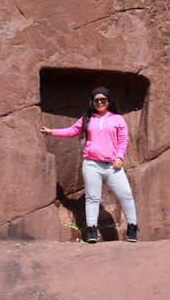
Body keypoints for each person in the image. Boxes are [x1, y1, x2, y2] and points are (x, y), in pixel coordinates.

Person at [41, 87, 139, 243]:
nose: (100, 102)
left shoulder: (117, 119)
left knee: (125, 194)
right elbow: (73, 131)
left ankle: (132, 227)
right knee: (92, 197)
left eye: (103, 100)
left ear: (108, 101)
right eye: (96, 100)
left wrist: (120, 157)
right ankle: (92, 230)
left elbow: (123, 141)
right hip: (92, 164)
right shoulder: (88, 118)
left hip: (112, 165)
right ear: (92, 102)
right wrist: (52, 131)